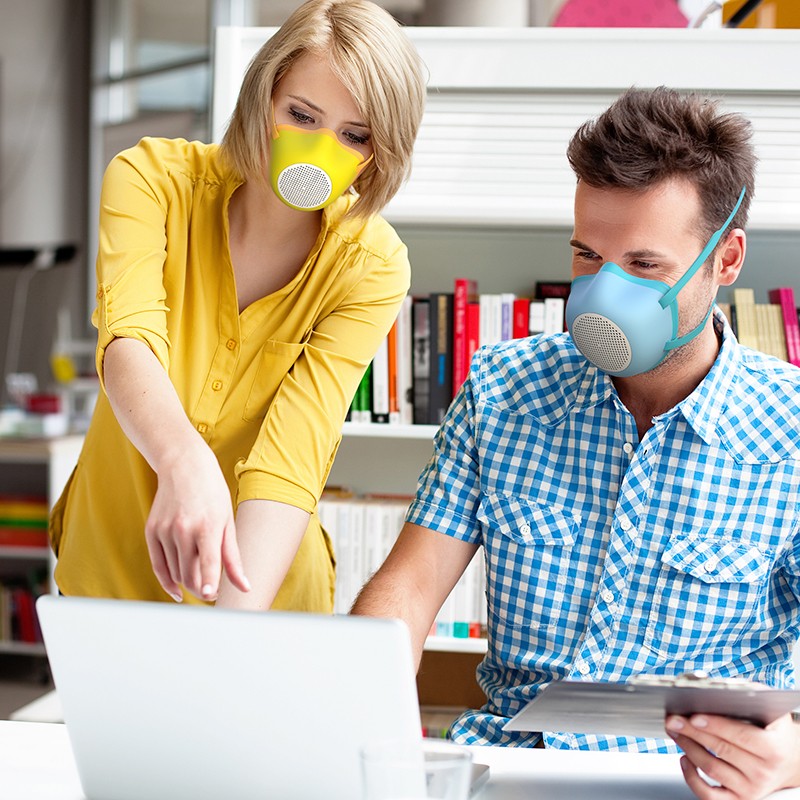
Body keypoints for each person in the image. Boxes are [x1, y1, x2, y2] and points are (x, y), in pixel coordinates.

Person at [352, 86, 800, 800]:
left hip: (690, 783)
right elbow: (407, 588)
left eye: (644, 265)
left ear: (726, 259)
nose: (604, 292)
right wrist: (360, 723)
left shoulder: (791, 431)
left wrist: (793, 758)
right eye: (589, 256)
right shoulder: (504, 389)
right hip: (512, 767)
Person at [48, 0, 426, 612]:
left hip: (262, 585)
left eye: (354, 135)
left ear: (378, 152)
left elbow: (294, 452)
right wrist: (183, 461)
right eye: (301, 115)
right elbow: (128, 341)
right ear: (263, 97)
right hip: (110, 568)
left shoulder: (372, 265)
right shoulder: (150, 180)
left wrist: (232, 631)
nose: (320, 149)